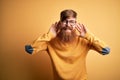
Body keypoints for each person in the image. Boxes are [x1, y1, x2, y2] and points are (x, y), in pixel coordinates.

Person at [25, 9, 110, 80]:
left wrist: (88, 35)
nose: (68, 25)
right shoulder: (50, 41)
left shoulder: (83, 40)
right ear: (60, 23)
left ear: (76, 23)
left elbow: (105, 50)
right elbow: (30, 49)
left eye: (72, 22)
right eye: (65, 21)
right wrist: (49, 35)